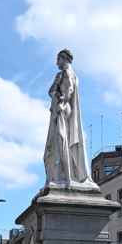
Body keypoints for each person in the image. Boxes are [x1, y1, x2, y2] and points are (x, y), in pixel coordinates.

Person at [43, 49, 95, 188]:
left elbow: (68, 91)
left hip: (62, 110)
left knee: (61, 142)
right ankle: (64, 175)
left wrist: (61, 101)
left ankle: (66, 176)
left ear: (64, 58)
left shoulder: (67, 73)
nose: (56, 62)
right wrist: (56, 86)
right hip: (61, 110)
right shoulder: (62, 75)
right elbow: (50, 91)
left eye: (58, 59)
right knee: (59, 142)